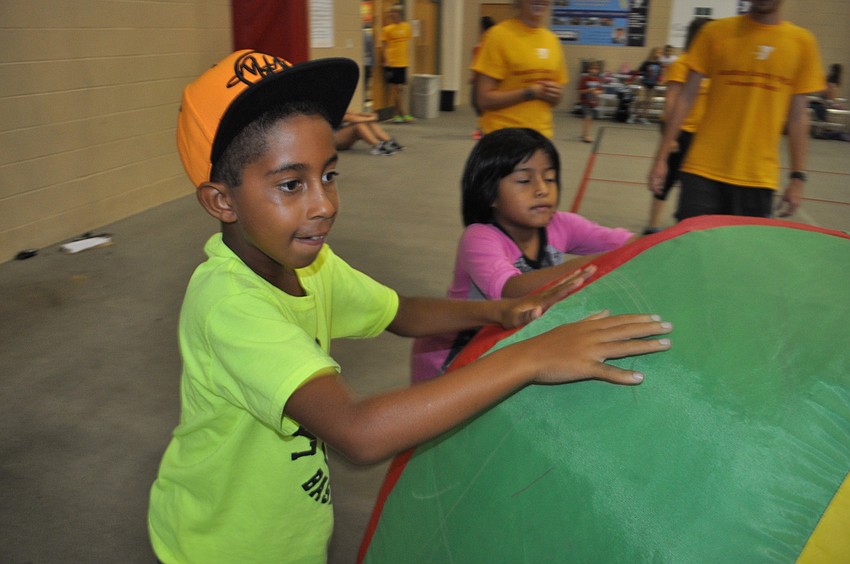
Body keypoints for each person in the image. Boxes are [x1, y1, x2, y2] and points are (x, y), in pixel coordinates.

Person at [148, 50, 673, 562]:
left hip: (289, 533)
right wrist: (530, 358)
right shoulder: (229, 306)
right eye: (292, 184)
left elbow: (399, 312)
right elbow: (359, 431)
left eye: (329, 175)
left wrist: (497, 313)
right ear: (222, 200)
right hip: (221, 545)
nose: (324, 204)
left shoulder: (310, 263)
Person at [411, 128, 639, 383]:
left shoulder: (561, 224)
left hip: (503, 346)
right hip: (452, 358)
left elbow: (629, 243)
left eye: (550, 178)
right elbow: (512, 291)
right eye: (524, 180)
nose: (542, 189)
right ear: (489, 193)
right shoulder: (479, 238)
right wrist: (587, 266)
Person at [648, 0, 825, 220]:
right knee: (695, 252)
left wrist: (797, 178)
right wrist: (662, 157)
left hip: (758, 178)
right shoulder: (715, 33)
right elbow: (685, 98)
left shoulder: (802, 42)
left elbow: (798, 116)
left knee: (742, 254)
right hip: (702, 171)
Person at [643, 18, 712, 234]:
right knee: (668, 179)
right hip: (682, 133)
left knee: (696, 184)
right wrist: (669, 137)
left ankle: (689, 225)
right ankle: (653, 225)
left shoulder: (712, 67)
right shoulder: (682, 64)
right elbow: (671, 101)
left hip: (703, 136)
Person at [472, 0, 568, 139]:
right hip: (503, 137)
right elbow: (483, 100)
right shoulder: (498, 36)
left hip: (541, 137)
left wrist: (555, 95)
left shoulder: (552, 41)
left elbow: (555, 100)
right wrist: (530, 92)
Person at [381, 4, 414, 123]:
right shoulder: (387, 29)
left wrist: (408, 58)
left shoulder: (407, 27)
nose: (392, 15)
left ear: (399, 14)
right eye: (391, 13)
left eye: (394, 13)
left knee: (400, 90)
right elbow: (384, 47)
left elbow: (407, 45)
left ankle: (396, 114)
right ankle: (404, 113)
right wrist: (386, 60)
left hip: (403, 62)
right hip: (392, 62)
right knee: (395, 89)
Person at [471, 16, 496, 140]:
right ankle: (482, 127)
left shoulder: (489, 38)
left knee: (478, 103)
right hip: (481, 74)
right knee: (478, 104)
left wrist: (475, 76)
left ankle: (483, 128)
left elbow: (482, 59)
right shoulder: (487, 37)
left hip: (483, 75)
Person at [334, 110, 404, 155]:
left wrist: (367, 115)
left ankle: (389, 141)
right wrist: (370, 118)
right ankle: (378, 146)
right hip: (333, 141)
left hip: (341, 138)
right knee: (358, 124)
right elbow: (348, 118)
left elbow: (353, 113)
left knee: (367, 122)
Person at [629, 47, 663, 124]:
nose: (659, 55)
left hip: (653, 86)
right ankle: (633, 115)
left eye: (660, 53)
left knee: (648, 102)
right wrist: (631, 80)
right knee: (640, 100)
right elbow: (637, 72)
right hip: (644, 84)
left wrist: (660, 80)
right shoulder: (647, 63)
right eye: (658, 53)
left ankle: (644, 117)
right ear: (653, 53)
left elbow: (659, 74)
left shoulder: (659, 64)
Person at [578, 60, 603, 143]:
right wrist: (588, 90)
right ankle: (586, 135)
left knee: (590, 119)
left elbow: (600, 91)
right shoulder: (585, 79)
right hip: (585, 102)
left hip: (593, 103)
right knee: (587, 118)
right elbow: (581, 90)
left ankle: (584, 132)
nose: (594, 71)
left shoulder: (598, 80)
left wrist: (597, 92)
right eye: (592, 69)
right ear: (588, 69)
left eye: (596, 69)